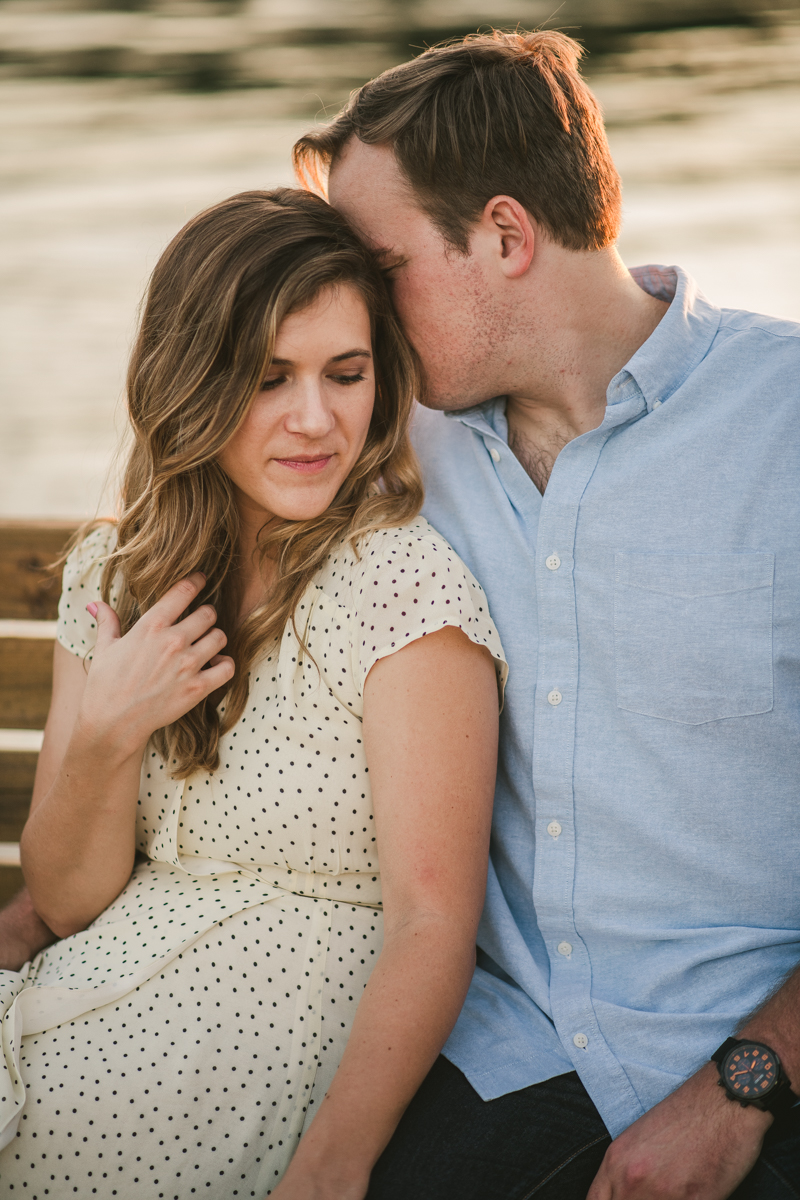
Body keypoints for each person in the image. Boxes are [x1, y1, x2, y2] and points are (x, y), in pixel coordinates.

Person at [292, 27, 800, 1200]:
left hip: (760, 1068)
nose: (359, 309)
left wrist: (741, 1086)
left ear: (505, 235)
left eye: (384, 266)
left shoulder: (783, 428)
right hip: (504, 1062)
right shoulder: (387, 447)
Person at [0, 187, 507, 1198]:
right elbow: (63, 900)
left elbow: (429, 921)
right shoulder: (116, 580)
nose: (314, 419)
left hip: (237, 1085)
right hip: (72, 1022)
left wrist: (331, 1170)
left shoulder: (399, 592)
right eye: (268, 378)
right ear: (193, 379)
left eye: (345, 373)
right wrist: (108, 729)